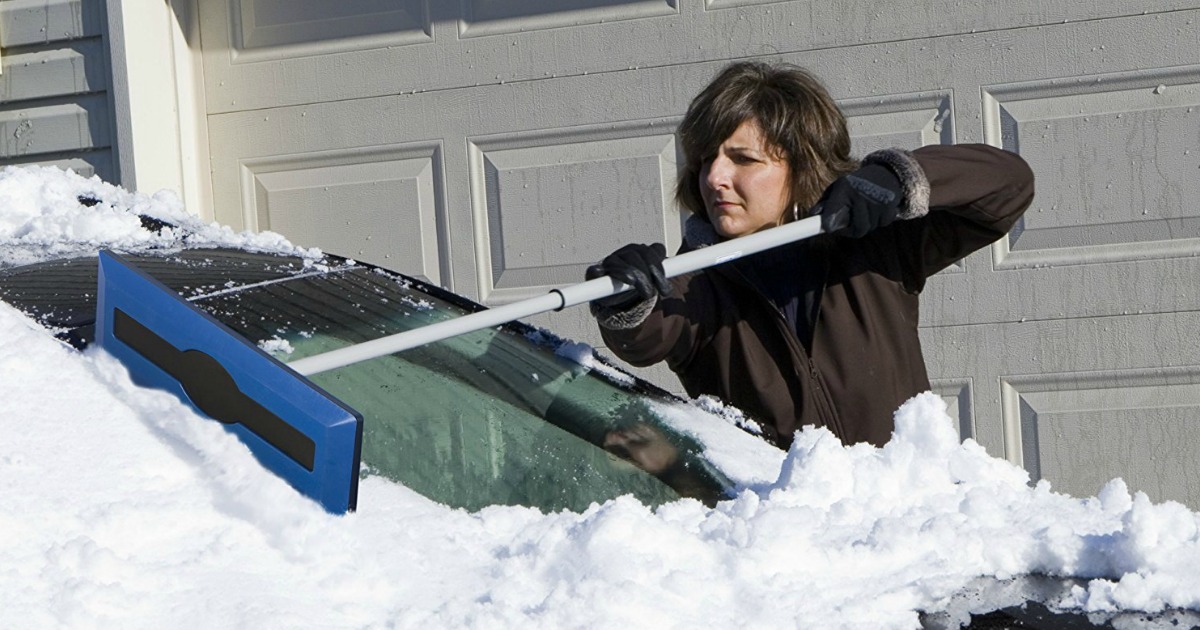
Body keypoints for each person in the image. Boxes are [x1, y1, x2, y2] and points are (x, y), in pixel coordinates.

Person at [585, 61, 1035, 450]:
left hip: (909, 519)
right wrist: (626, 297)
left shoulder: (873, 248)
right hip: (791, 535)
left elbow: (1008, 186)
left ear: (801, 165)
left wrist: (899, 177)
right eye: (706, 159)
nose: (715, 176)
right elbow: (646, 336)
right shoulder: (695, 282)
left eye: (743, 159)